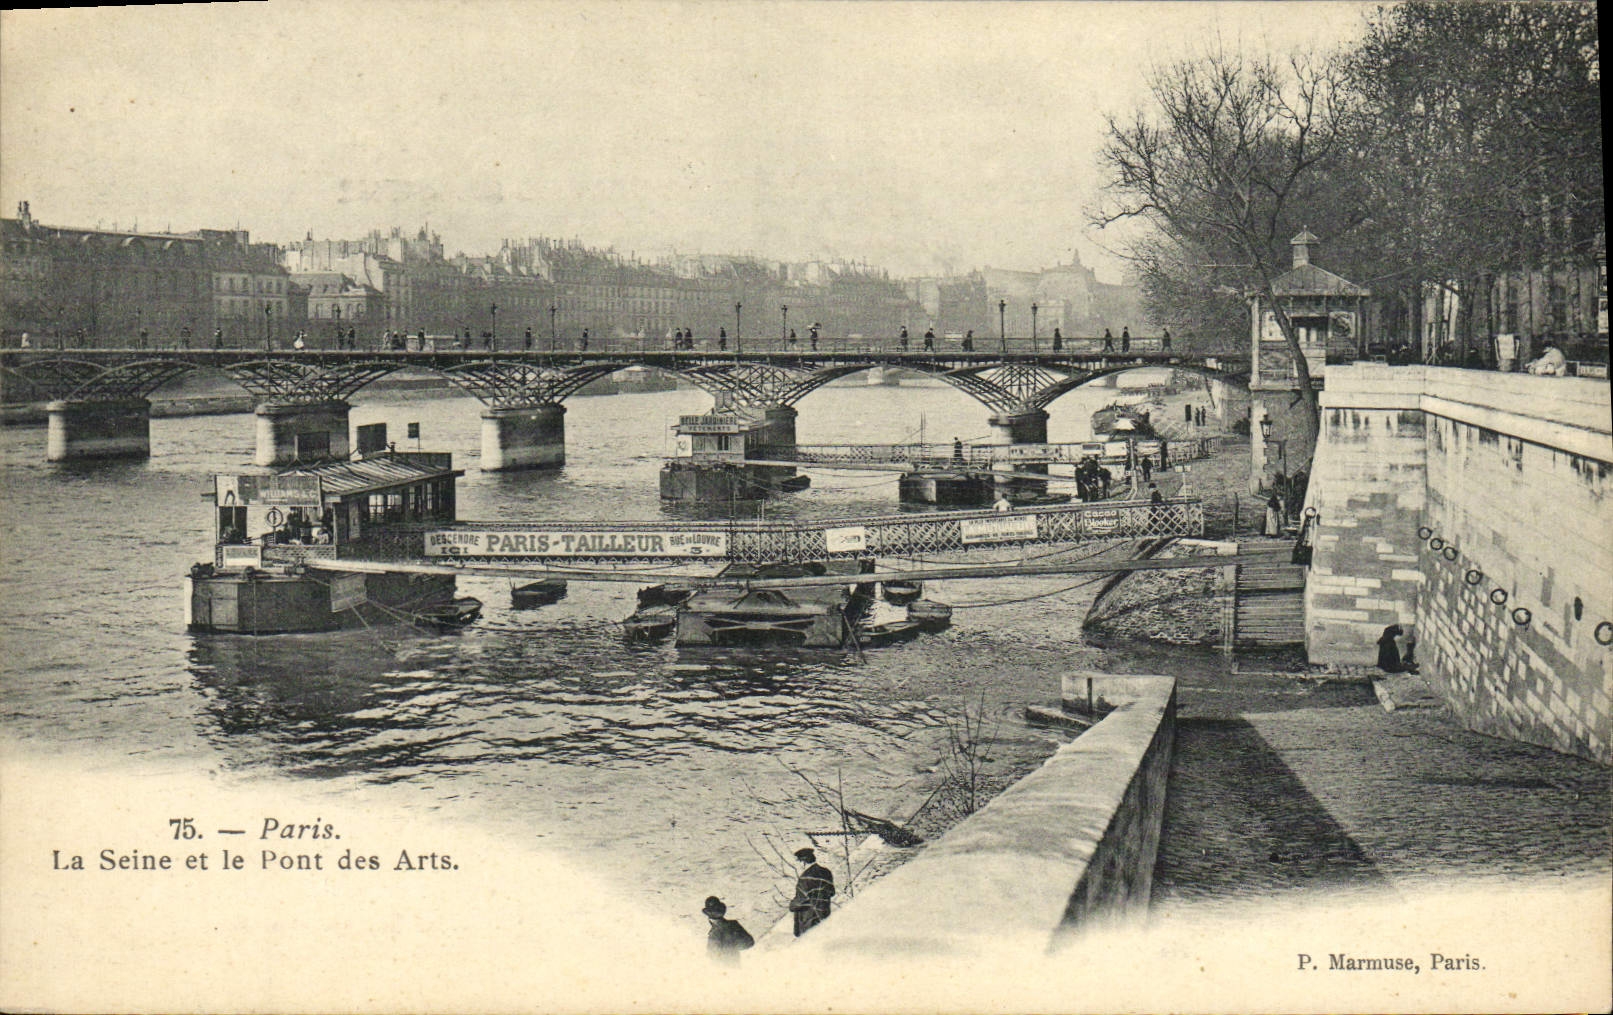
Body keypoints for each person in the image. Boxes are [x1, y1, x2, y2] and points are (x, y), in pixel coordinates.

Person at [788, 848, 834, 937]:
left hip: (809, 919)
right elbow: (832, 892)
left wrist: (792, 905)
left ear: (803, 862)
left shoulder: (805, 878)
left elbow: (800, 900)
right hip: (824, 915)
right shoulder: (826, 872)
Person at [702, 896, 754, 964]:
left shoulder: (714, 932)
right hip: (735, 965)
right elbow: (749, 942)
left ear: (710, 917)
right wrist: (733, 947)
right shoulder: (734, 924)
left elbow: (712, 956)